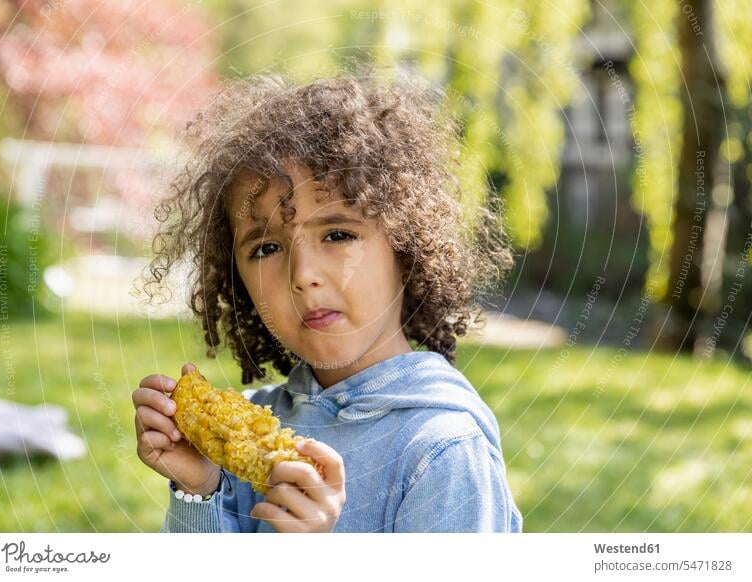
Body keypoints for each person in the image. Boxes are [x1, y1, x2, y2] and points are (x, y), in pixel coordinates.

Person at [133, 68, 523, 533]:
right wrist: (198, 493)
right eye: (266, 248)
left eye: (337, 234)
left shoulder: (441, 450)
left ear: (405, 246)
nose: (304, 276)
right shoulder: (247, 437)